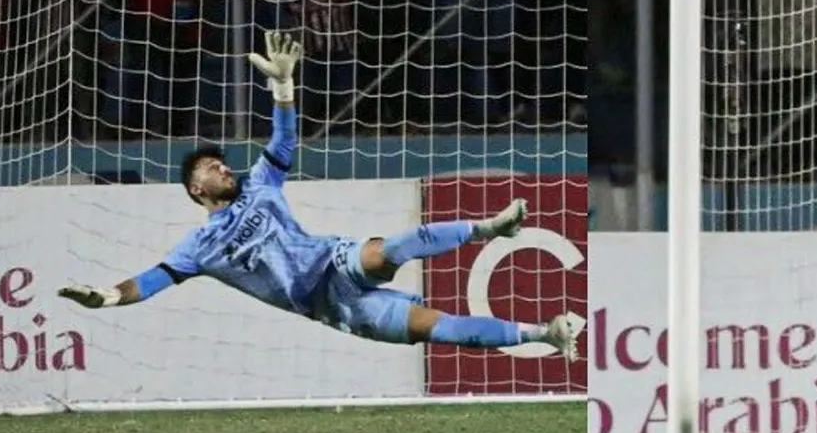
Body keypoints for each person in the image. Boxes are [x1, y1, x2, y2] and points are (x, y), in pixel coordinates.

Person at [58, 31, 585, 356]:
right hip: (330, 308)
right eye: (211, 168)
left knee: (386, 250)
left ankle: (491, 228)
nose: (222, 166)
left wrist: (282, 87)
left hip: (332, 264)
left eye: (220, 161)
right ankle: (545, 334)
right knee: (444, 330)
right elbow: (152, 280)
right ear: (198, 189)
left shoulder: (261, 186)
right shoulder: (199, 247)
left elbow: (284, 138)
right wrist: (106, 296)